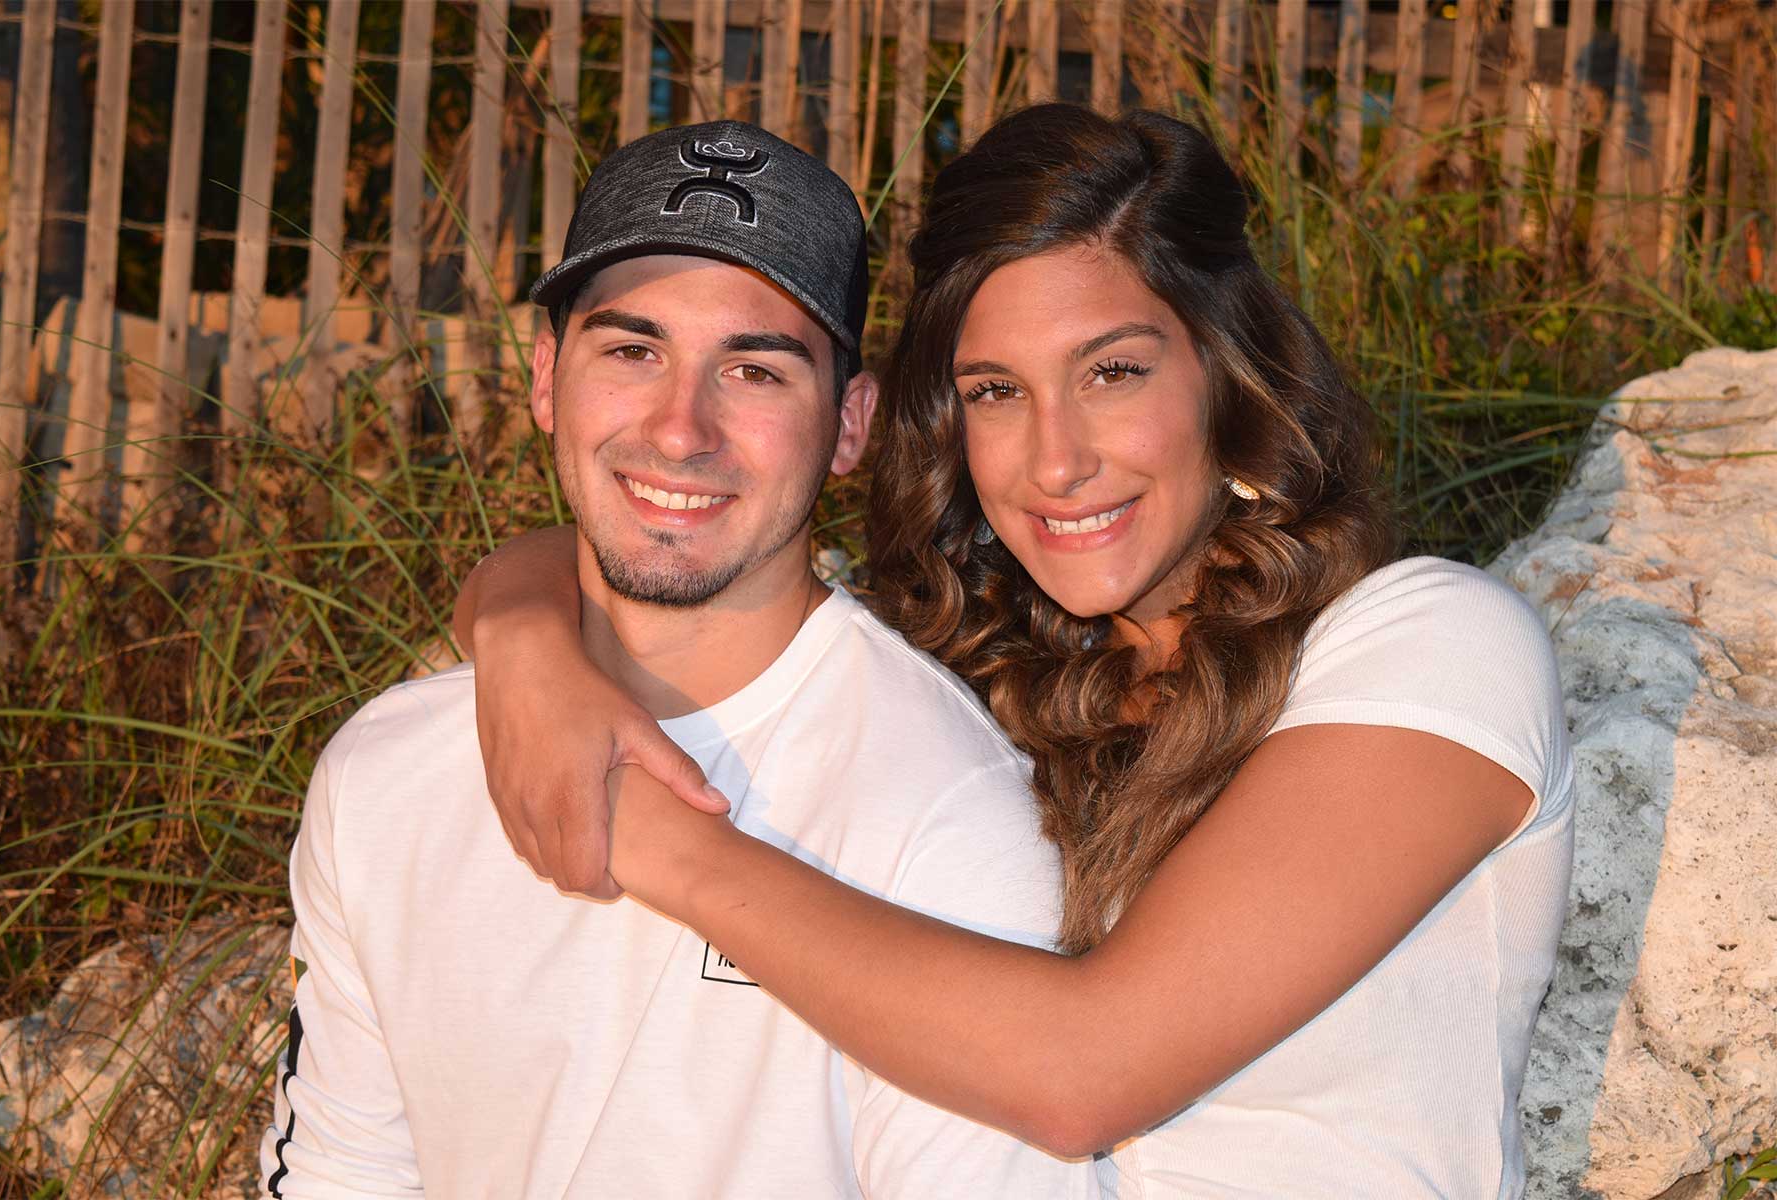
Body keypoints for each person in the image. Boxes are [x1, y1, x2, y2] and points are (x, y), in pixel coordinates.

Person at [458, 105, 1576, 1197]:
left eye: (1112, 373)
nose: (1055, 463)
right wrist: (521, 646)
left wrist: (635, 820)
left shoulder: (1432, 646)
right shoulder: (978, 677)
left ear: (1226, 371)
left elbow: (1084, 1073)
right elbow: (632, 567)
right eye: (995, 393)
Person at [259, 119, 1102, 1199]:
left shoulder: (948, 811)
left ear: (849, 425)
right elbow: (343, 1172)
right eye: (631, 351)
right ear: (545, 376)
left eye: (754, 371)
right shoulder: (388, 772)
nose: (679, 429)